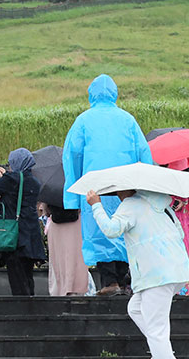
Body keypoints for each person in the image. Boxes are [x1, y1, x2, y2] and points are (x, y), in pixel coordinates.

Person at [62, 74, 152, 295]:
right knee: (125, 231)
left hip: (95, 190)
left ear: (91, 94)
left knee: (99, 232)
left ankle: (109, 282)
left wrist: (72, 195)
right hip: (126, 190)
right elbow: (144, 155)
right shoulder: (128, 120)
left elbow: (72, 157)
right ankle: (123, 281)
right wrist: (146, 191)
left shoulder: (83, 121)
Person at [88, 187, 189, 359]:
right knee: (135, 308)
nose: (118, 197)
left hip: (156, 275)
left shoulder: (131, 205)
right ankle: (162, 350)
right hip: (175, 269)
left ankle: (162, 353)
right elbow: (179, 232)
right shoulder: (161, 205)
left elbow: (111, 230)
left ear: (125, 191)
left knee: (157, 331)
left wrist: (96, 205)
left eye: (117, 193)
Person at [0, 148, 47, 295]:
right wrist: (6, 176)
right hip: (30, 235)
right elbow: (17, 186)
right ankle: (30, 306)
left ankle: (21, 308)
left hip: (14, 235)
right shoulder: (34, 182)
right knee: (27, 275)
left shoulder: (12, 179)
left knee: (16, 275)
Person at [40, 201, 90, 296]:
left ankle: (59, 289)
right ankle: (76, 288)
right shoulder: (76, 187)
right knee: (76, 257)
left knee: (58, 258)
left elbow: (46, 211)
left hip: (56, 225)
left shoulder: (52, 189)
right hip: (76, 224)